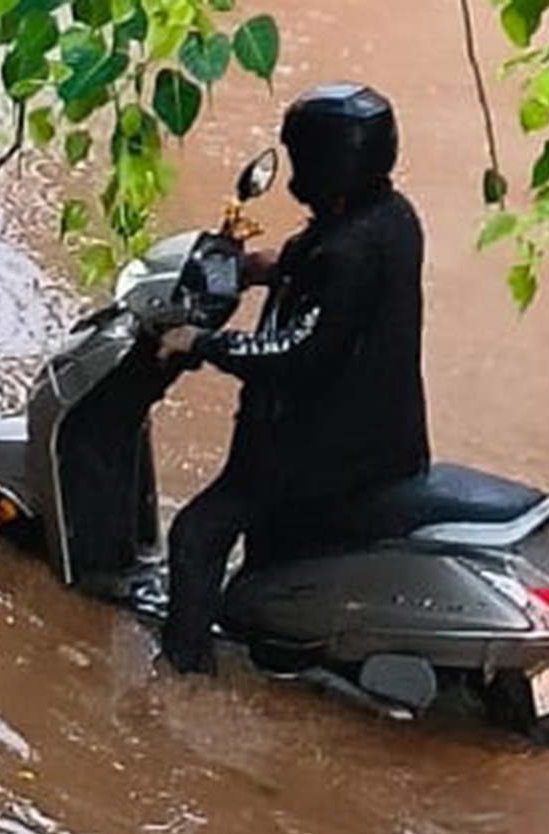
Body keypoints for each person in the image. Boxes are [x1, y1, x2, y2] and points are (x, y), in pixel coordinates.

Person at [156, 82, 430, 675]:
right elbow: (325, 270)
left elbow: (296, 352)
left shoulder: (348, 250)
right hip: (383, 443)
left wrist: (202, 342)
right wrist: (262, 268)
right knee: (268, 547)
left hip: (319, 451)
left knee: (198, 535)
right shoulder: (390, 217)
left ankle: (181, 678)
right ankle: (273, 643)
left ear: (322, 162)